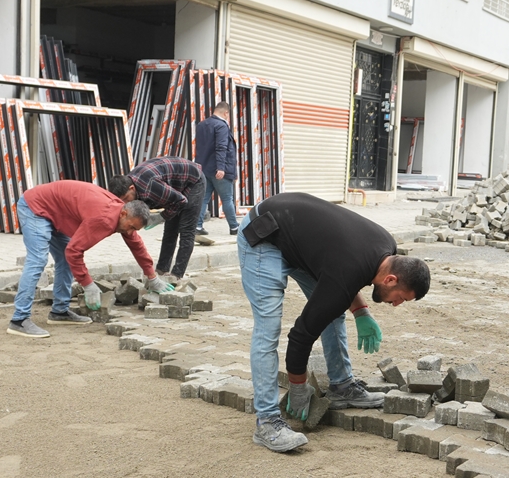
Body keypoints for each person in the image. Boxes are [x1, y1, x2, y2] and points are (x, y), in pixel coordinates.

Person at [237, 192, 431, 453]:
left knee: (333, 309)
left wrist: (361, 311)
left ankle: (342, 387)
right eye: (401, 299)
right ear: (391, 280)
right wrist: (298, 387)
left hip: (298, 236)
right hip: (264, 233)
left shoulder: (387, 247)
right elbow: (301, 336)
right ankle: (267, 422)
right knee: (268, 328)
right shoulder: (353, 267)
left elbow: (346, 273)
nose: (396, 304)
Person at [9, 180, 168, 339]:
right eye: (131, 227)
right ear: (124, 214)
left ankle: (59, 312)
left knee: (64, 259)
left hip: (56, 210)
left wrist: (152, 276)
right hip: (36, 207)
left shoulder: (123, 215)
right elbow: (74, 251)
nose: (131, 231)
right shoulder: (104, 218)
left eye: (135, 229)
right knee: (37, 260)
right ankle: (19, 319)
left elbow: (137, 245)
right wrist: (88, 284)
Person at [108, 157, 205, 284]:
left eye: (126, 198)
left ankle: (176, 275)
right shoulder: (129, 184)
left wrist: (160, 217)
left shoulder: (150, 186)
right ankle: (162, 270)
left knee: (186, 231)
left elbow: (181, 201)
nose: (126, 203)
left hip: (193, 181)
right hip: (175, 186)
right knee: (170, 230)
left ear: (132, 188)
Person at [193, 102, 240, 237]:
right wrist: (221, 167)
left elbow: (200, 148)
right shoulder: (221, 126)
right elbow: (221, 147)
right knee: (227, 198)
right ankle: (234, 227)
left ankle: (197, 225)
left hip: (204, 169)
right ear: (226, 113)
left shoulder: (202, 125)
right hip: (220, 170)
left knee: (203, 198)